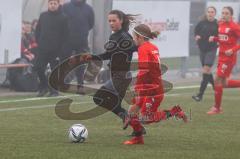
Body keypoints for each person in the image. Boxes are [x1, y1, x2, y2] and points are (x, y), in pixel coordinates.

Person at [77, 10, 147, 136]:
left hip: (121, 77)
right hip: (117, 76)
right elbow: (109, 55)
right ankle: (138, 128)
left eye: (114, 20)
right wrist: (92, 57)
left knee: (99, 98)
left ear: (120, 20)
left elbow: (136, 47)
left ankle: (127, 117)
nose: (111, 23)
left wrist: (144, 45)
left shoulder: (125, 37)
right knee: (114, 104)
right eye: (109, 20)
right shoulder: (113, 36)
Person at [122, 24, 187, 145]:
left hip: (153, 90)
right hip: (149, 86)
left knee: (145, 119)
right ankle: (138, 138)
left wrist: (136, 87)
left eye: (134, 37)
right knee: (131, 111)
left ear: (139, 37)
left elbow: (144, 69)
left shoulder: (143, 49)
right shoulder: (152, 46)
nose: (133, 39)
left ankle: (174, 112)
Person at [208, 6, 240, 115]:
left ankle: (217, 108)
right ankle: (217, 107)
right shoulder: (220, 24)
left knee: (217, 80)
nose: (224, 15)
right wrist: (215, 39)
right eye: (223, 13)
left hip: (229, 58)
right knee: (224, 83)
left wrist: (233, 49)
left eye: (227, 13)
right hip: (221, 57)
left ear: (231, 15)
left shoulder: (234, 27)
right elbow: (223, 39)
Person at [35, 0, 68, 97]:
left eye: (55, 3)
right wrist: (39, 42)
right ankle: (44, 87)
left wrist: (61, 50)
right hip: (43, 48)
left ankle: (54, 91)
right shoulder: (43, 16)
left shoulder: (63, 17)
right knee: (39, 68)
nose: (53, 5)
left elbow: (65, 35)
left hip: (56, 50)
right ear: (48, 4)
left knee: (54, 71)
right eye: (51, 3)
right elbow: (38, 30)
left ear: (58, 5)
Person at [62, 0, 95, 94]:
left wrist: (82, 31)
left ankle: (80, 85)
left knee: (80, 63)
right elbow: (61, 21)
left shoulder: (89, 9)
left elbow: (91, 24)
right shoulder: (66, 7)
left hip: (81, 40)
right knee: (64, 61)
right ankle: (63, 83)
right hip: (67, 39)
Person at [192, 6, 218, 102]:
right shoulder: (201, 23)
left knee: (206, 70)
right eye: (209, 12)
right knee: (207, 72)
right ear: (206, 13)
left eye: (212, 12)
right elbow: (196, 32)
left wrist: (216, 39)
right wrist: (197, 36)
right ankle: (216, 88)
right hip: (202, 50)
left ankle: (200, 95)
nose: (210, 13)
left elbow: (220, 35)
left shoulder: (217, 24)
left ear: (215, 14)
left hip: (212, 49)